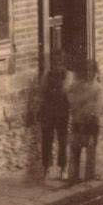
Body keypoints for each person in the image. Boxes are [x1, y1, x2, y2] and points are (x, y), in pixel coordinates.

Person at [65, 58, 103, 184]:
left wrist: (87, 110)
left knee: (90, 148)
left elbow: (98, 106)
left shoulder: (97, 88)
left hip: (91, 123)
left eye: (91, 70)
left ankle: (89, 175)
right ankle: (73, 175)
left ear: (95, 72)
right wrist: (76, 104)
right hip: (77, 121)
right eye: (86, 70)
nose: (88, 73)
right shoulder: (77, 85)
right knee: (75, 148)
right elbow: (69, 97)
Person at [37, 50, 69, 181]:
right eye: (55, 62)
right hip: (49, 111)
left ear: (63, 63)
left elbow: (66, 91)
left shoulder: (67, 75)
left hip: (62, 111)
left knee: (62, 140)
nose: (57, 65)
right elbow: (42, 92)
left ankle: (63, 168)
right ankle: (46, 167)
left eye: (60, 62)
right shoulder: (47, 75)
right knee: (47, 140)